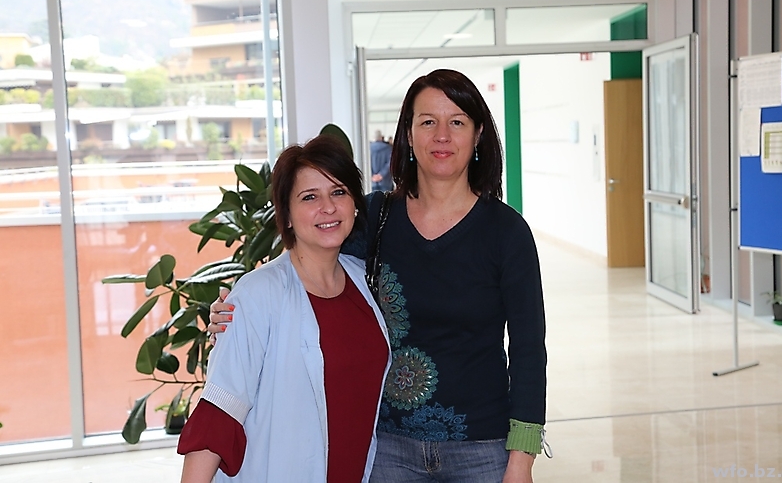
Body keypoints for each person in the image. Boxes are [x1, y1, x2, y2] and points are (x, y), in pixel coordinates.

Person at [211, 69, 548, 483]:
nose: (442, 136)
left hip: (482, 447)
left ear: (478, 135)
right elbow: (309, 274)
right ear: (408, 133)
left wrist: (521, 461)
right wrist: (240, 309)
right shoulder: (374, 218)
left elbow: (529, 350)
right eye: (428, 121)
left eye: (457, 122)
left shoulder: (506, 232)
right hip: (388, 448)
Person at [179, 135, 391, 482]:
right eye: (310, 197)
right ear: (287, 216)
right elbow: (219, 412)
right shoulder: (258, 294)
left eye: (338, 192)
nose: (328, 207)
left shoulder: (363, 281)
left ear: (355, 202)